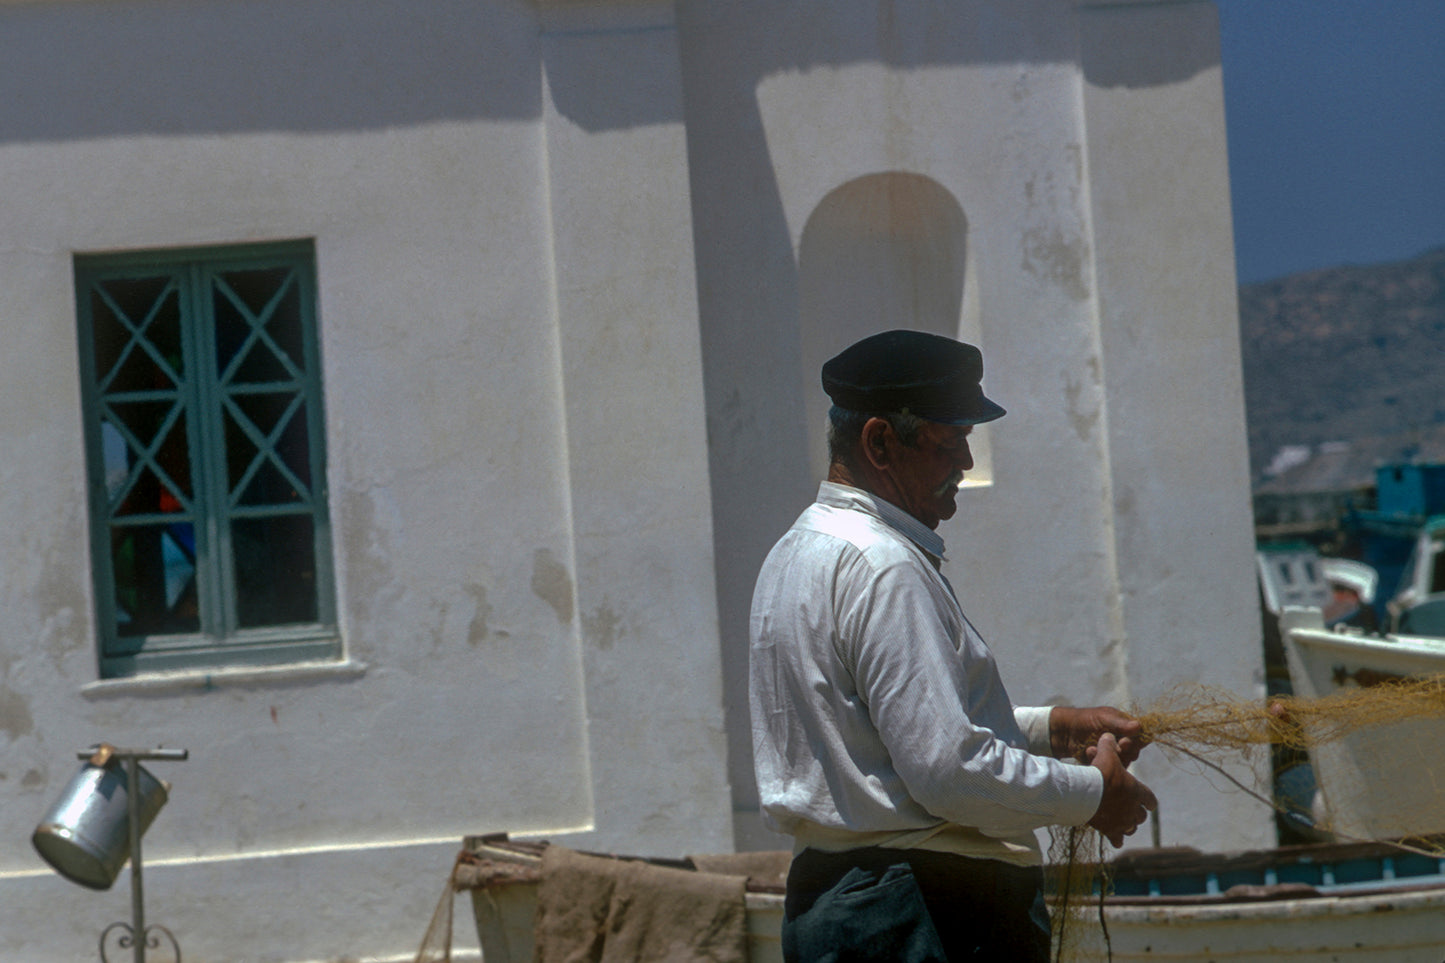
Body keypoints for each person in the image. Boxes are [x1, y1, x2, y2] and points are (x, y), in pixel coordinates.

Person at [749, 330, 1157, 962]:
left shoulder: (795, 554)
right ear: (880, 441)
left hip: (839, 908)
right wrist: (1092, 793)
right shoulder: (886, 567)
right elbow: (948, 771)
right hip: (925, 911)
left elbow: (887, 737)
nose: (966, 462)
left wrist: (1052, 729)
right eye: (950, 441)